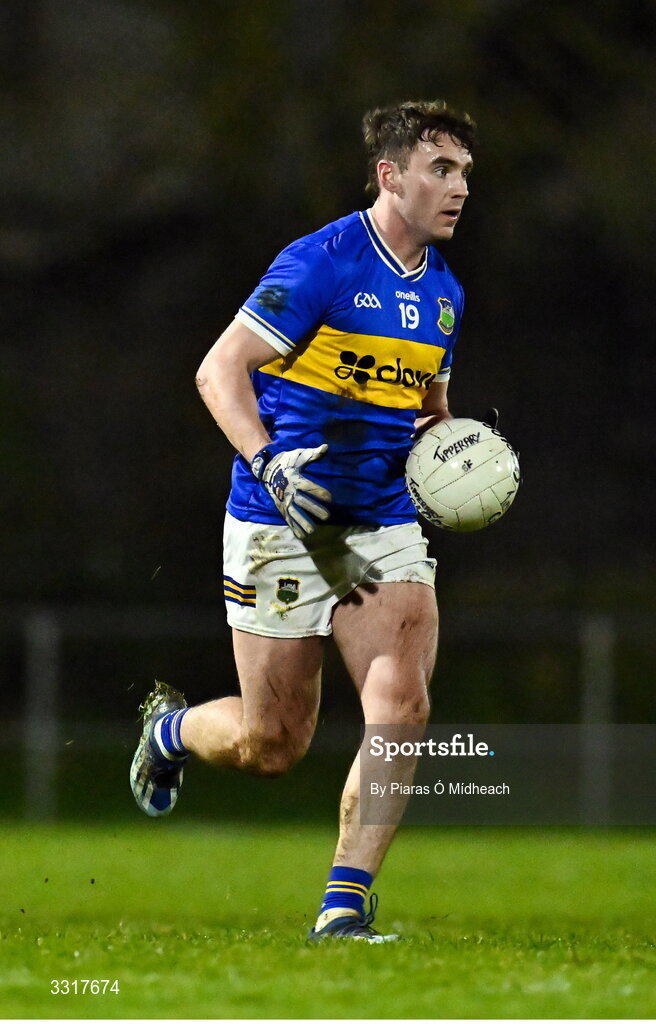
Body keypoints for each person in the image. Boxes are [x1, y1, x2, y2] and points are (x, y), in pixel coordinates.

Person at [130, 99, 476, 942]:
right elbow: (220, 373)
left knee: (402, 702)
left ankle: (343, 905)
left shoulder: (443, 296)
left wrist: (456, 459)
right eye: (441, 168)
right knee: (272, 744)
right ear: (390, 176)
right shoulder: (319, 262)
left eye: (465, 172)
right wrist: (266, 460)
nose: (459, 186)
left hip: (380, 522)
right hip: (284, 517)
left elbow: (428, 412)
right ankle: (170, 731)